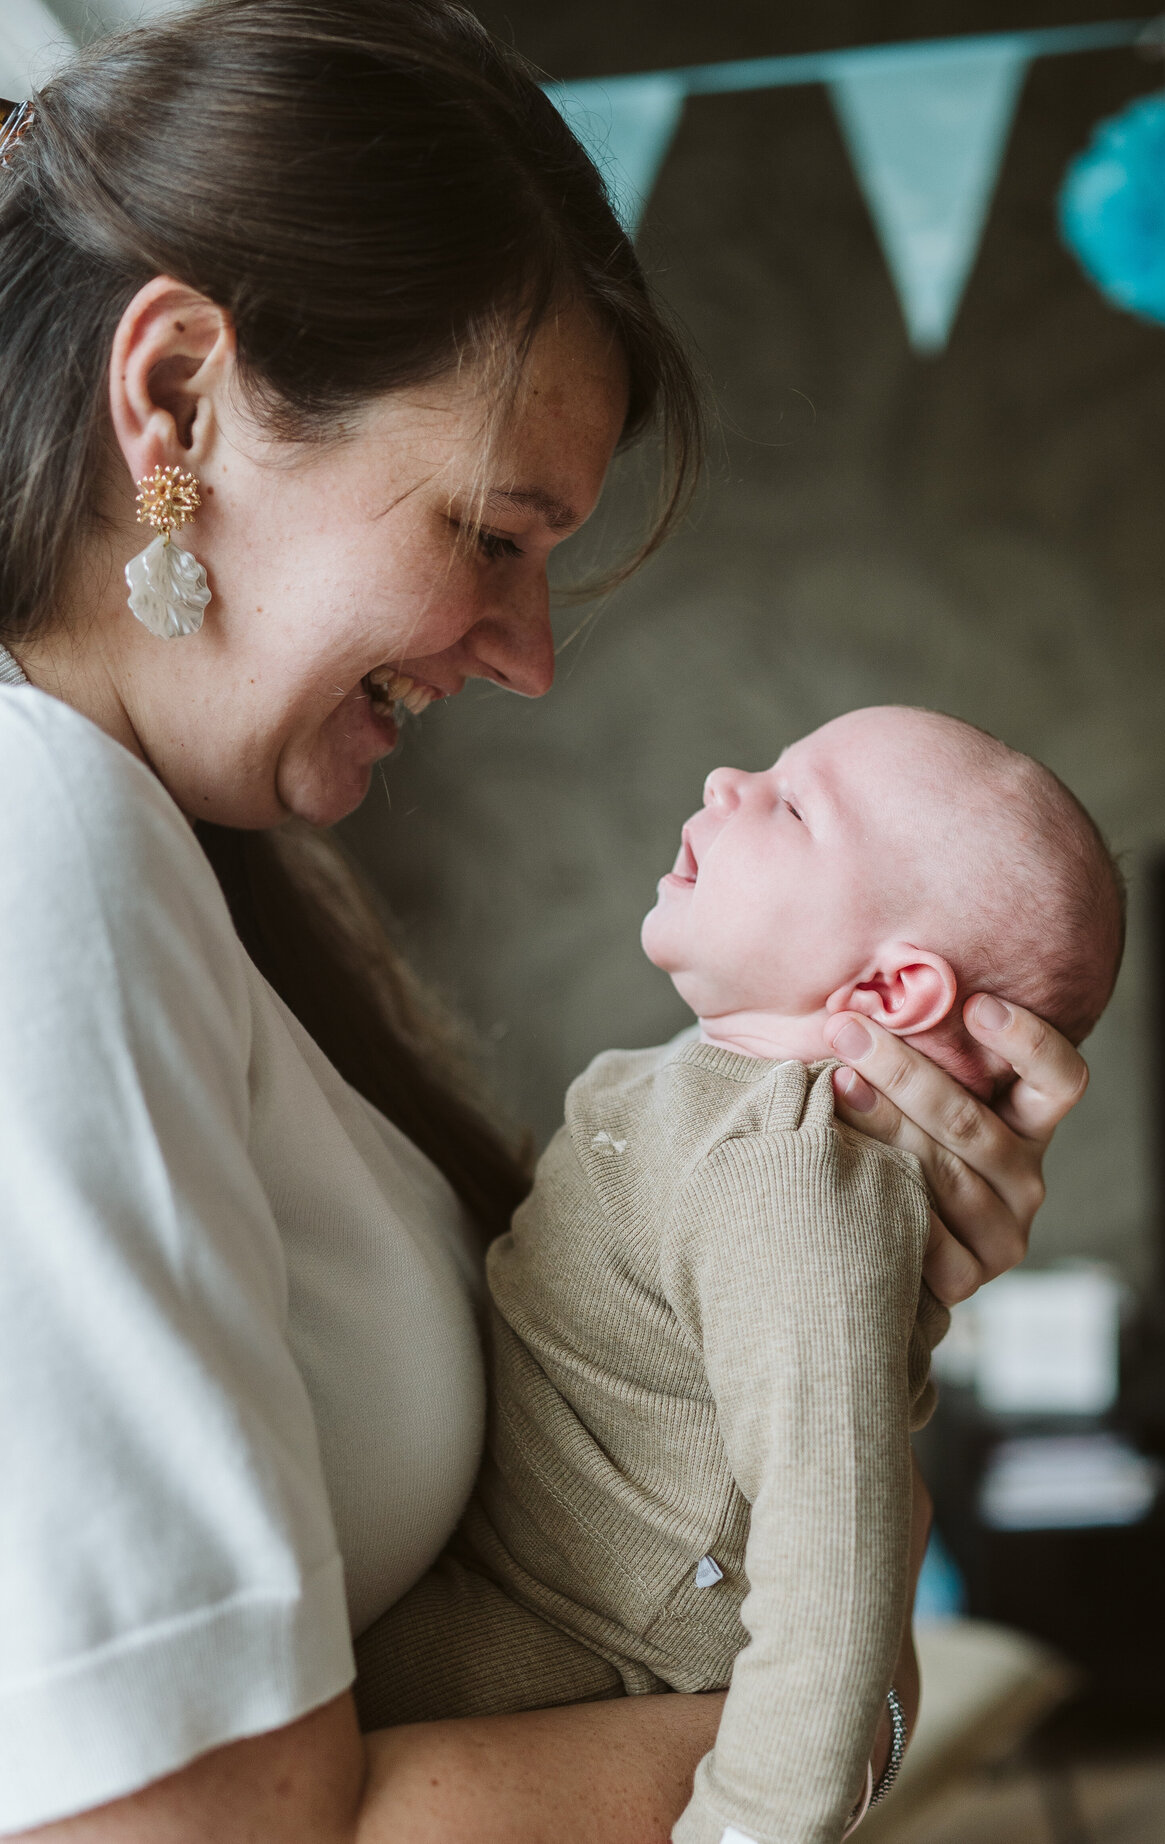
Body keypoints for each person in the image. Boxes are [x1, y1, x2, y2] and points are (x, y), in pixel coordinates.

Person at [0, 3, 1091, 1840]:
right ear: (175, 395)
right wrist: (821, 1721)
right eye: (496, 533)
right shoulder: (40, 843)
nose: (529, 650)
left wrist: (815, 1306)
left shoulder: (160, 849)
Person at [352, 707, 1123, 1844]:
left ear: (893, 990)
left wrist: (752, 1826)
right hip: (527, 1569)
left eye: (799, 805)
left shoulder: (789, 1181)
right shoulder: (689, 1085)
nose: (726, 778)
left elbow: (832, 1562)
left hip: (585, 1637)